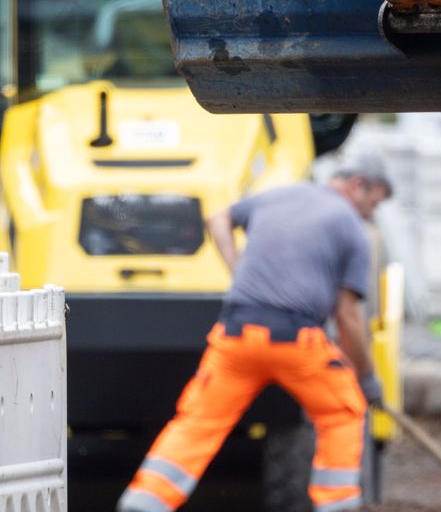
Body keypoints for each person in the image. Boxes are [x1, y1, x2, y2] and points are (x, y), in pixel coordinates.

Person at [118, 155, 393, 512]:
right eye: (373, 203)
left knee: (199, 421)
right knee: (342, 413)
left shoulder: (277, 196)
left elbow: (217, 219)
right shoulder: (350, 226)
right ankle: (337, 506)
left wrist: (236, 269)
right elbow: (348, 316)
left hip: (235, 337)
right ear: (358, 184)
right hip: (297, 342)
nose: (371, 212)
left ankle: (145, 503)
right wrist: (367, 380)